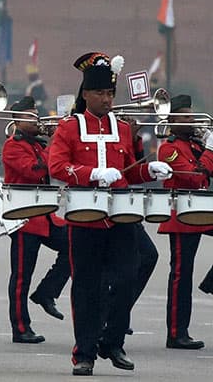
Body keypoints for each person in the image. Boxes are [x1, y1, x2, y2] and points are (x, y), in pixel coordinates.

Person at [48, 51, 173, 376]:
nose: (106, 99)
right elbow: (57, 166)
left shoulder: (123, 128)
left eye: (110, 94)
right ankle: (85, 352)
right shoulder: (69, 127)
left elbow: (130, 171)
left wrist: (150, 170)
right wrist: (91, 174)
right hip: (85, 217)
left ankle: (113, 341)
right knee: (85, 285)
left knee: (127, 276)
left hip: (120, 215)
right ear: (86, 94)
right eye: (101, 93)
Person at [2, 96, 69, 344]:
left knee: (74, 247)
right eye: (30, 115)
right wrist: (56, 141)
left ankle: (46, 292)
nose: (36, 119)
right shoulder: (13, 145)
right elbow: (35, 170)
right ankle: (20, 327)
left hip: (45, 216)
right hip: (24, 217)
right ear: (17, 121)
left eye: (36, 114)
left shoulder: (38, 144)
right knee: (21, 276)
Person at [156, 94, 211, 350]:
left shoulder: (194, 144)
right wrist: (210, 151)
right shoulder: (169, 148)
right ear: (173, 120)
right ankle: (176, 333)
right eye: (186, 117)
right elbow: (195, 177)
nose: (192, 120)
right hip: (181, 216)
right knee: (181, 274)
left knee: (184, 273)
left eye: (192, 115)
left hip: (200, 211)